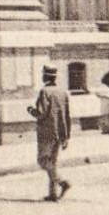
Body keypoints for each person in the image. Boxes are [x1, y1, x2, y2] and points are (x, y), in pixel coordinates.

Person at [28, 62, 71, 203]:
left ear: (45, 76)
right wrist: (66, 136)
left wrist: (30, 110)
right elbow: (67, 115)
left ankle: (62, 181)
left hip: (47, 132)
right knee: (53, 162)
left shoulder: (44, 92)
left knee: (42, 161)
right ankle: (52, 194)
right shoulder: (62, 92)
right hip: (60, 132)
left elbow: (40, 113)